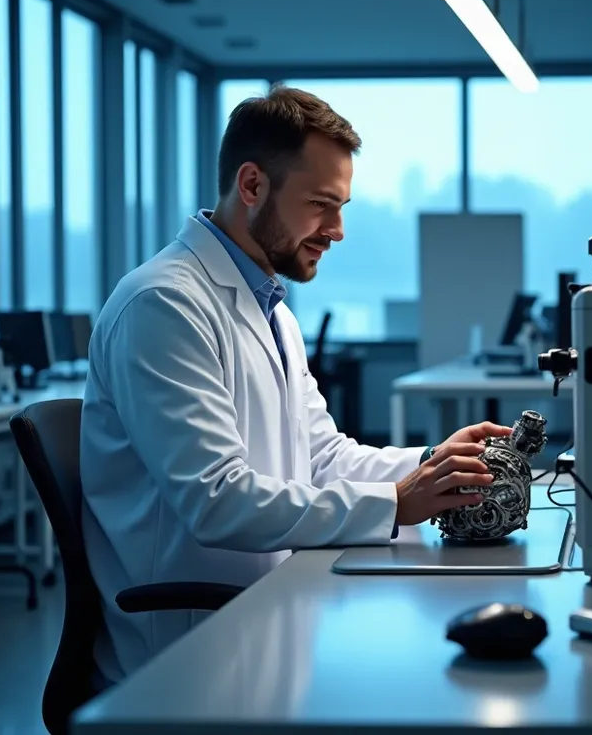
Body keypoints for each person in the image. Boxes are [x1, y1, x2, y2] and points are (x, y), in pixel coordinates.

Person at [80, 86, 504, 685]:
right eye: (321, 205)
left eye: (343, 206)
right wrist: (396, 503)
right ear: (251, 186)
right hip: (185, 657)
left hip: (267, 615)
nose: (337, 230)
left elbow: (321, 456)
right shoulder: (164, 304)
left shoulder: (271, 308)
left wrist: (434, 465)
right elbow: (216, 500)